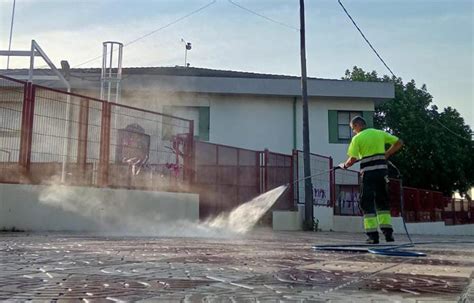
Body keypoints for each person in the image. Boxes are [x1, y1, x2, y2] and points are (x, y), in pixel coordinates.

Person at [338, 116, 403, 244]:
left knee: (366, 202)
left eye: (353, 128)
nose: (353, 131)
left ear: (357, 125)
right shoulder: (379, 133)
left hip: (368, 174)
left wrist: (343, 166)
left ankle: (373, 236)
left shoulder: (357, 138)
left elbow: (352, 159)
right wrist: (387, 153)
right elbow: (399, 142)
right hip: (382, 172)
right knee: (382, 201)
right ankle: (388, 234)